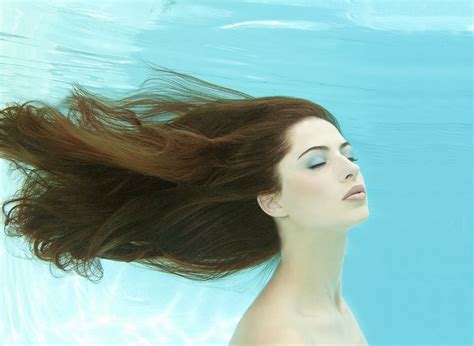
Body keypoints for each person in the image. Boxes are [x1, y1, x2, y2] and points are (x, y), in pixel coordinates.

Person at [0, 63, 368, 344]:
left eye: (348, 155)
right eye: (317, 162)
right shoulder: (282, 334)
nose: (350, 170)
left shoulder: (326, 311)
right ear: (272, 200)